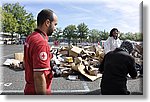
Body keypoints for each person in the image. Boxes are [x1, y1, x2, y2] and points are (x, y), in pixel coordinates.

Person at [24, 9, 58, 95]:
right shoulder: (41, 42)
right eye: (55, 24)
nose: (55, 28)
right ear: (47, 22)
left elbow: (26, 61)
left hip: (29, 88)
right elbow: (39, 76)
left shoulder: (31, 37)